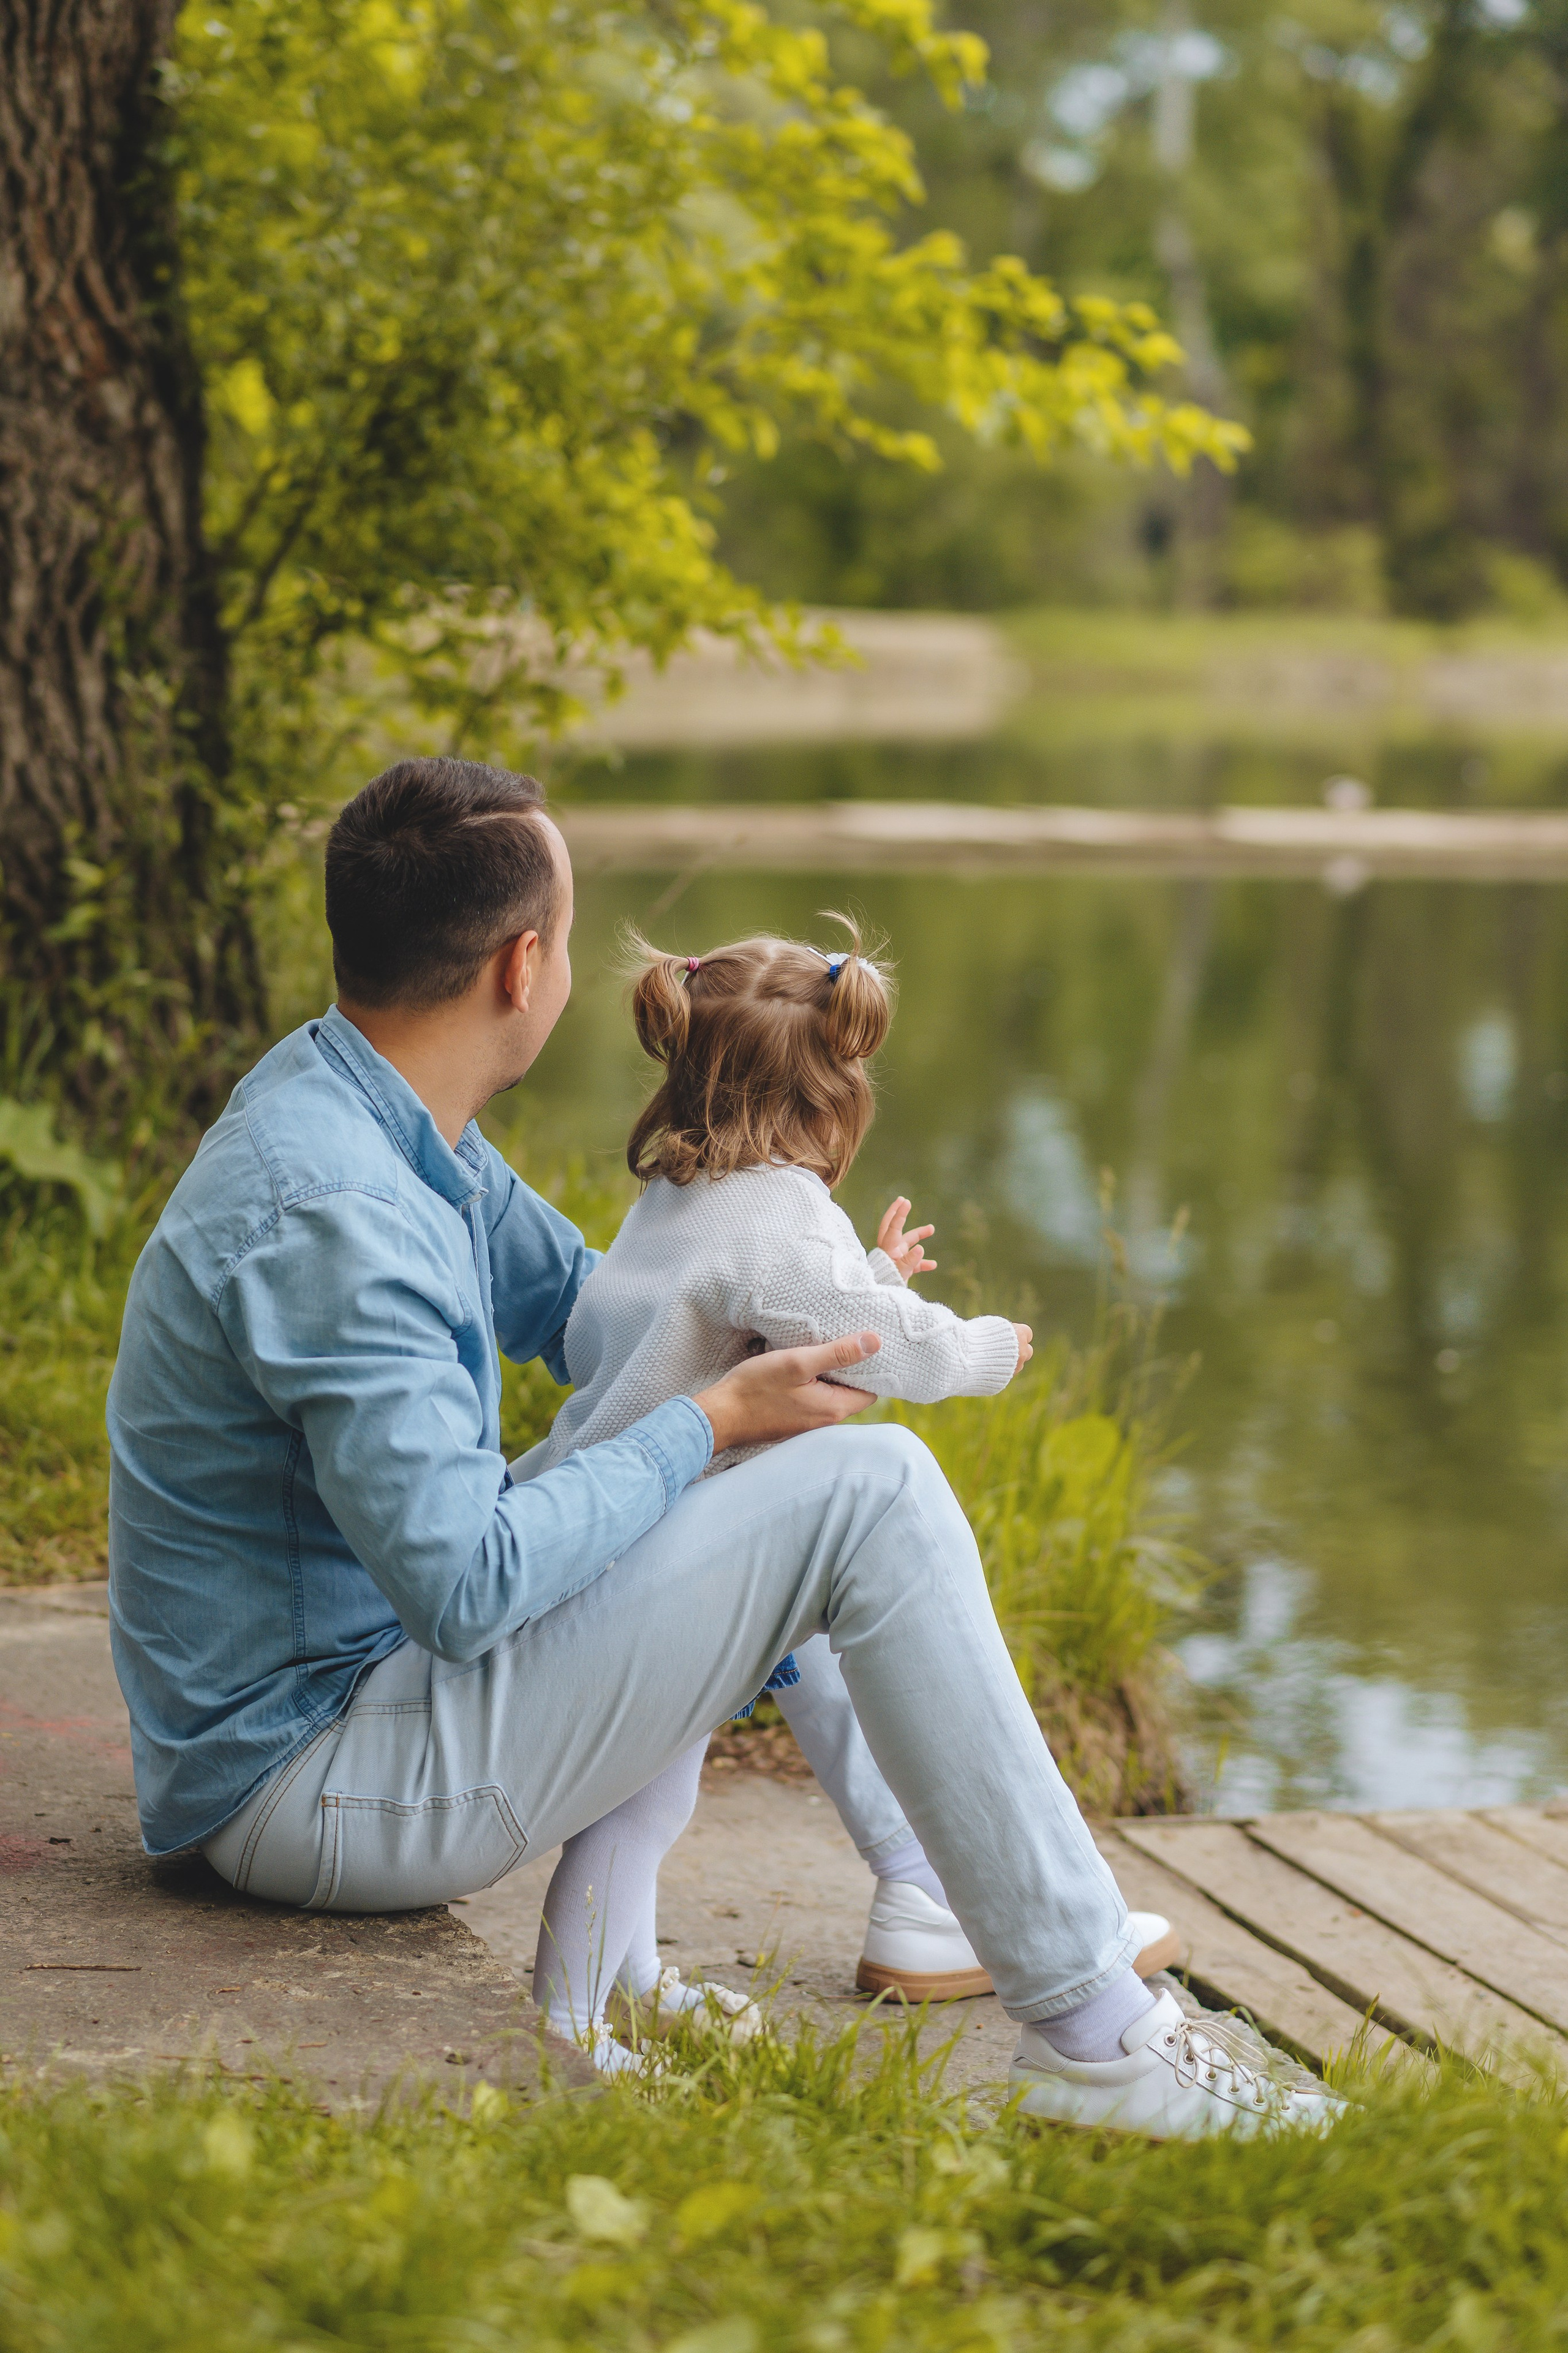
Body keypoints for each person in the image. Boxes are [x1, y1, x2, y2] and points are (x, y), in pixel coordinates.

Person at [107, 757, 1339, 2139]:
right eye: (567, 943)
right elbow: (465, 1588)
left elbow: (587, 1318)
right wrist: (712, 1422)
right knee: (872, 1484)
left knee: (811, 1483)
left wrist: (753, 1298)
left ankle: (912, 1914)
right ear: (523, 966)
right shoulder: (339, 1211)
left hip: (331, 1719)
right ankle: (1099, 2036)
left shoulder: (381, 1118)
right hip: (307, 1788)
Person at [524, 918, 1175, 2068]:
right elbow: (888, 1351)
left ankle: (632, 1977)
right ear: (823, 1101)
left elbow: (712, 1328)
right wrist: (982, 1347)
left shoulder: (676, 1195)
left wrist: (860, 1276)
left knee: (648, 1798)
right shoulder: (776, 1211)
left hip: (600, 1523)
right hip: (646, 1558)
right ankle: (569, 2020)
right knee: (638, 1807)